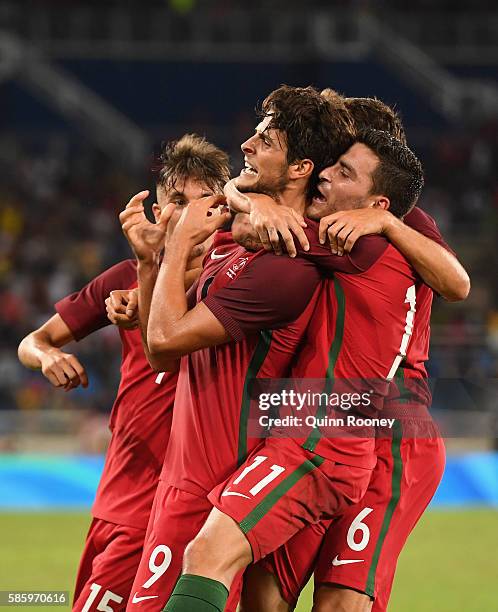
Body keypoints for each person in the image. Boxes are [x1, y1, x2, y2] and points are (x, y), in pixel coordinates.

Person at [161, 129, 447, 612]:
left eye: (343, 170)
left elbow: (457, 282)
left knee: (225, 560)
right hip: (308, 429)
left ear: (378, 203)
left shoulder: (357, 241)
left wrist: (250, 205)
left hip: (343, 437)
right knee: (263, 597)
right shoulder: (363, 234)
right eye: (331, 163)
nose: (324, 175)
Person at [123, 85, 356, 611]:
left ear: (299, 167)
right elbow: (161, 310)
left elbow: (161, 346)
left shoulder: (287, 271)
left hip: (212, 483)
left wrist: (180, 236)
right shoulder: (241, 235)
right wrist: (146, 267)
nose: (246, 145)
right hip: (182, 476)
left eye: (265, 140)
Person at [17, 134, 231, 612]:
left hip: (168, 500)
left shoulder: (232, 282)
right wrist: (48, 356)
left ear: (224, 209)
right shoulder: (123, 278)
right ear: (158, 207)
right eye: (177, 200)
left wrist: (150, 274)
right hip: (114, 492)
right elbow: (33, 341)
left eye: (204, 201)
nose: (190, 213)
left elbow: (168, 355)